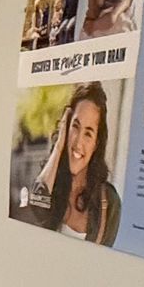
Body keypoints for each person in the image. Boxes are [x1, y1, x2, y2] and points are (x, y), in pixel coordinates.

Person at [32, 82, 120, 245]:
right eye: (75, 127)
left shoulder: (109, 202)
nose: (78, 142)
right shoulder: (51, 181)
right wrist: (59, 146)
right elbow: (36, 206)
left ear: (96, 143)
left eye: (88, 133)